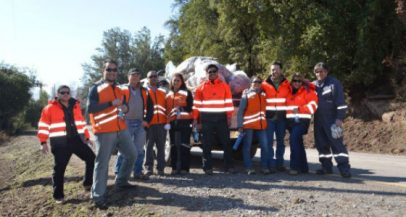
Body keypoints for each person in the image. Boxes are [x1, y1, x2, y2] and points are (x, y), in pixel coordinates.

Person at [87, 59, 136, 208]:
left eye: (114, 70)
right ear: (104, 71)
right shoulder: (95, 88)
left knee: (132, 154)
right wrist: (110, 104)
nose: (112, 72)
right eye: (109, 69)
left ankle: (121, 181)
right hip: (104, 131)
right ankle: (98, 196)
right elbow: (90, 109)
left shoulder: (120, 89)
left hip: (121, 128)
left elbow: (125, 106)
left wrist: (125, 109)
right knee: (102, 163)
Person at [37, 85, 95, 204]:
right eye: (62, 92)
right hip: (60, 143)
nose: (65, 94)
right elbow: (43, 126)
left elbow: (81, 123)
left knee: (91, 158)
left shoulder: (75, 106)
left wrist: (87, 137)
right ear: (57, 94)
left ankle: (88, 183)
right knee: (59, 169)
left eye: (67, 92)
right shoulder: (49, 108)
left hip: (76, 140)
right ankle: (58, 195)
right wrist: (43, 142)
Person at [193, 64, 235, 175]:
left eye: (214, 71)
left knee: (226, 143)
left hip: (221, 118)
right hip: (206, 119)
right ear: (206, 74)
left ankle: (229, 166)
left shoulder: (224, 86)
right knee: (207, 144)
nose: (211, 73)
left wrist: (229, 117)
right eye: (209, 72)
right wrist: (195, 119)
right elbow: (196, 106)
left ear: (217, 73)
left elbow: (229, 103)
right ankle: (207, 167)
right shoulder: (200, 88)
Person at [313, 62, 351, 178]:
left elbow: (341, 104)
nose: (319, 73)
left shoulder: (334, 83)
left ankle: (344, 168)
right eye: (317, 72)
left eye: (322, 71)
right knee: (321, 144)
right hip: (318, 120)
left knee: (337, 145)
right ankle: (326, 167)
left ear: (326, 71)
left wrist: (339, 119)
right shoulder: (313, 85)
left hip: (332, 120)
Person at [114, 68, 153, 180]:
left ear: (140, 77)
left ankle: (137, 172)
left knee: (139, 149)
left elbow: (151, 107)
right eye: (133, 75)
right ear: (128, 76)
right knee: (123, 149)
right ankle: (118, 173)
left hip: (140, 122)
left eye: (137, 75)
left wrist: (147, 120)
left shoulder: (145, 91)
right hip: (125, 121)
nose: (135, 77)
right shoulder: (121, 88)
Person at [285, 73, 318, 175]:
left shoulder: (308, 91)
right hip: (290, 122)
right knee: (298, 143)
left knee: (293, 141)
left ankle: (294, 167)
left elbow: (313, 107)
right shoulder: (289, 92)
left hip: (302, 121)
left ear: (302, 82)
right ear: (291, 81)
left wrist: (300, 109)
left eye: (299, 81)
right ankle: (304, 168)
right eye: (295, 80)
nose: (297, 83)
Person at [262, 61, 291, 172]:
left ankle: (280, 164)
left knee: (280, 142)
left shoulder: (287, 84)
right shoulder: (264, 84)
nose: (274, 71)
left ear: (281, 70)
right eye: (272, 69)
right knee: (269, 142)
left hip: (281, 118)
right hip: (269, 118)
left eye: (277, 69)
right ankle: (270, 164)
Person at [237, 76, 270, 175]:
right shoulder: (246, 94)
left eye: (259, 82)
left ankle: (264, 167)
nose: (257, 84)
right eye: (255, 82)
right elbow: (240, 111)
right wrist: (240, 125)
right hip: (248, 125)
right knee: (247, 146)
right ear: (250, 83)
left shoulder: (264, 94)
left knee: (265, 146)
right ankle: (249, 168)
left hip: (261, 125)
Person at [166, 73, 193, 175]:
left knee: (184, 145)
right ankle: (174, 168)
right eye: (174, 80)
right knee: (173, 145)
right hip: (173, 123)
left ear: (182, 82)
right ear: (171, 82)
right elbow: (167, 110)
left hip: (185, 122)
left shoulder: (187, 92)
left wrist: (180, 108)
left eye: (178, 80)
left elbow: (191, 107)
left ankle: (184, 169)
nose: (176, 82)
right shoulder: (168, 94)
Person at [144, 70, 168, 176]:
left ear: (157, 78)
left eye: (155, 76)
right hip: (149, 124)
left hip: (161, 124)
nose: (153, 78)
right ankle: (148, 168)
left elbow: (167, 107)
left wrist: (167, 122)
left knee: (161, 147)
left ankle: (161, 168)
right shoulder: (144, 92)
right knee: (149, 147)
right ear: (147, 79)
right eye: (151, 76)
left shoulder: (163, 92)